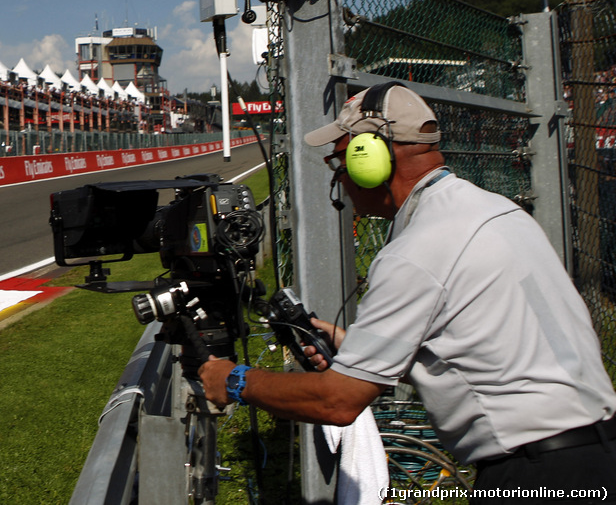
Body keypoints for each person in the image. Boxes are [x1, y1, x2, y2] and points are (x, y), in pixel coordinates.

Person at [199, 82, 616, 495]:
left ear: (372, 156)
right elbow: (490, 348)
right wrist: (360, 348)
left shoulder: (416, 251)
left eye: (339, 159)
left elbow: (337, 403)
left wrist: (234, 380)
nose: (338, 174)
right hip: (597, 452)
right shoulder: (499, 211)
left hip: (538, 471)